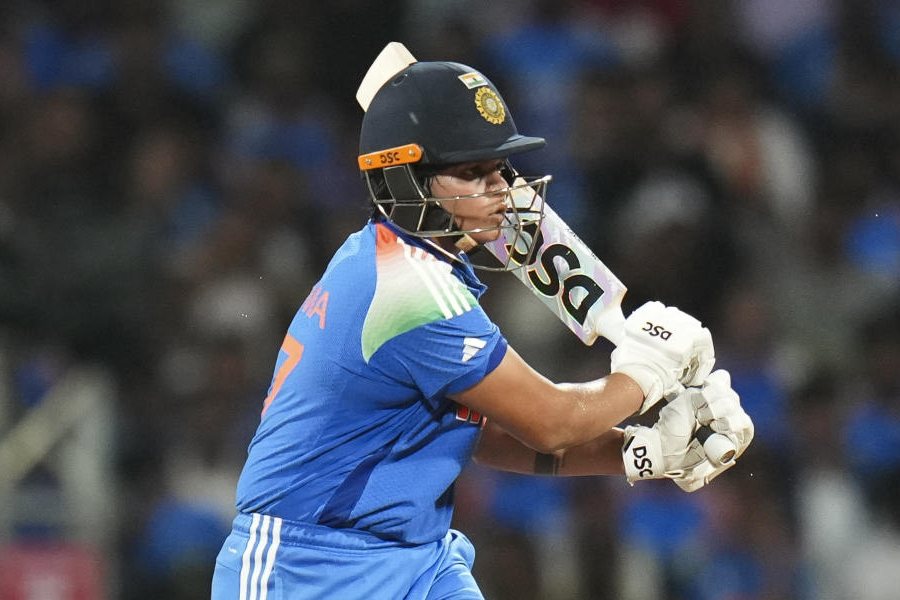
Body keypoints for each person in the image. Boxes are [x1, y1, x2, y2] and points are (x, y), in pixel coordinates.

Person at [210, 51, 754, 599]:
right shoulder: (408, 289)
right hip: (307, 565)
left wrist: (641, 452)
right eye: (472, 172)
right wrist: (646, 373)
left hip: (418, 558)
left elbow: (483, 434)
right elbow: (552, 423)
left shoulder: (410, 263)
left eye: (498, 169)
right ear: (408, 181)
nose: (499, 189)